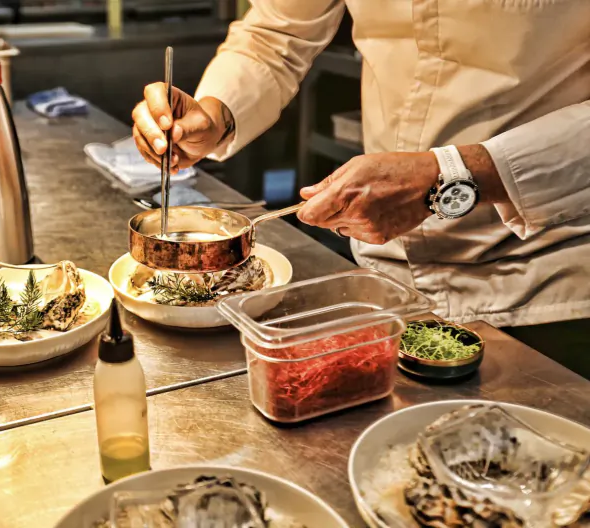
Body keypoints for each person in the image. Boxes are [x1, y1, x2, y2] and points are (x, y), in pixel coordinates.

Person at [131, 1, 590, 378]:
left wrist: (456, 172)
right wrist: (216, 114)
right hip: (385, 278)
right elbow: (277, 34)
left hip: (547, 279)